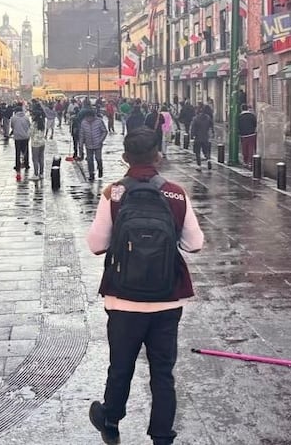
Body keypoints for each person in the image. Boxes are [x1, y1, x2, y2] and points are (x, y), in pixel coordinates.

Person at [86, 127, 205, 445]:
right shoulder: (176, 193)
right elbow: (195, 244)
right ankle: (162, 434)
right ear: (158, 156)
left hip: (123, 299)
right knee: (163, 372)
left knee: (121, 363)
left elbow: (96, 245)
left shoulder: (114, 193)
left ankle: (110, 419)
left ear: (125, 158)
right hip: (167, 299)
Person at [81, 107, 109, 181]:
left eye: (90, 117)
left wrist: (100, 140)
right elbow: (82, 134)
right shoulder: (83, 123)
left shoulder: (99, 122)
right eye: (87, 117)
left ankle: (100, 168)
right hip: (88, 144)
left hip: (98, 144)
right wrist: (81, 144)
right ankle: (91, 174)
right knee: (89, 160)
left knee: (98, 158)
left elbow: (105, 131)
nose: (89, 119)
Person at [190, 106, 214, 170]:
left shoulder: (195, 118)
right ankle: (208, 160)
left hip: (198, 138)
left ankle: (199, 166)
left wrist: (192, 136)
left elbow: (193, 129)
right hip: (205, 137)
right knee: (206, 151)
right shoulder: (208, 118)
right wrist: (212, 133)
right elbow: (211, 126)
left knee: (197, 152)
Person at [9, 105, 31, 173]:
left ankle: (17, 165)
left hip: (17, 137)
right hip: (25, 137)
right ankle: (26, 164)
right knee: (26, 151)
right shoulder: (26, 117)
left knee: (17, 152)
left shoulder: (13, 118)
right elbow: (29, 125)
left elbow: (12, 126)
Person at [30, 111, 47, 180]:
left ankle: (36, 174)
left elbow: (30, 133)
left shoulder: (34, 124)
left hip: (35, 143)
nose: (31, 116)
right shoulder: (42, 123)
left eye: (32, 115)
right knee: (41, 158)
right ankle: (41, 173)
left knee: (35, 159)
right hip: (42, 142)